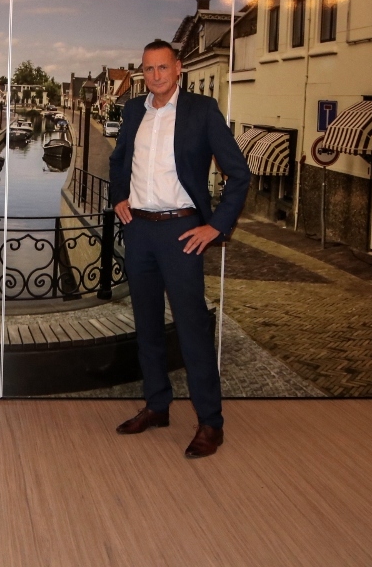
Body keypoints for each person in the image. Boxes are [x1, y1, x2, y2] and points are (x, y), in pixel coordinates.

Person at [108, 39, 250, 458]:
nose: (155, 76)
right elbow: (119, 160)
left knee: (191, 329)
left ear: (178, 69)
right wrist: (118, 197)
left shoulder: (201, 110)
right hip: (139, 231)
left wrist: (216, 226)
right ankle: (157, 405)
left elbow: (239, 174)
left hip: (182, 232)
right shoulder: (133, 111)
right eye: (148, 69)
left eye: (162, 68)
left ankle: (211, 423)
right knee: (147, 325)